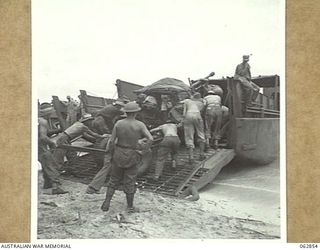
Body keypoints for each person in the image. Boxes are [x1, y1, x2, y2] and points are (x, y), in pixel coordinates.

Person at [101, 102, 153, 213]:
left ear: (126, 112)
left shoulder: (119, 123)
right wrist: (143, 151)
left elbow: (111, 141)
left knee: (114, 179)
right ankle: (130, 207)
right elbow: (151, 139)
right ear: (136, 112)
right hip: (132, 153)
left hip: (119, 152)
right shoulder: (139, 125)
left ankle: (107, 202)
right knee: (130, 180)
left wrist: (110, 154)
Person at [38, 108, 68, 194]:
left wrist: (58, 130)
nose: (52, 114)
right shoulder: (43, 121)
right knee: (51, 164)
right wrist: (52, 143)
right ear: (48, 113)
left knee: (45, 164)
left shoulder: (37, 120)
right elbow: (43, 137)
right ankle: (56, 187)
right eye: (51, 113)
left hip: (35, 146)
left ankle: (47, 184)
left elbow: (44, 133)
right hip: (41, 147)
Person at [182, 92, 206, 162]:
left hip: (188, 115)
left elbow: (184, 113)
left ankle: (191, 157)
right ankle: (202, 154)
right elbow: (202, 110)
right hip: (197, 115)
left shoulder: (187, 101)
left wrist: (183, 120)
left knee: (189, 136)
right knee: (200, 134)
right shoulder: (201, 103)